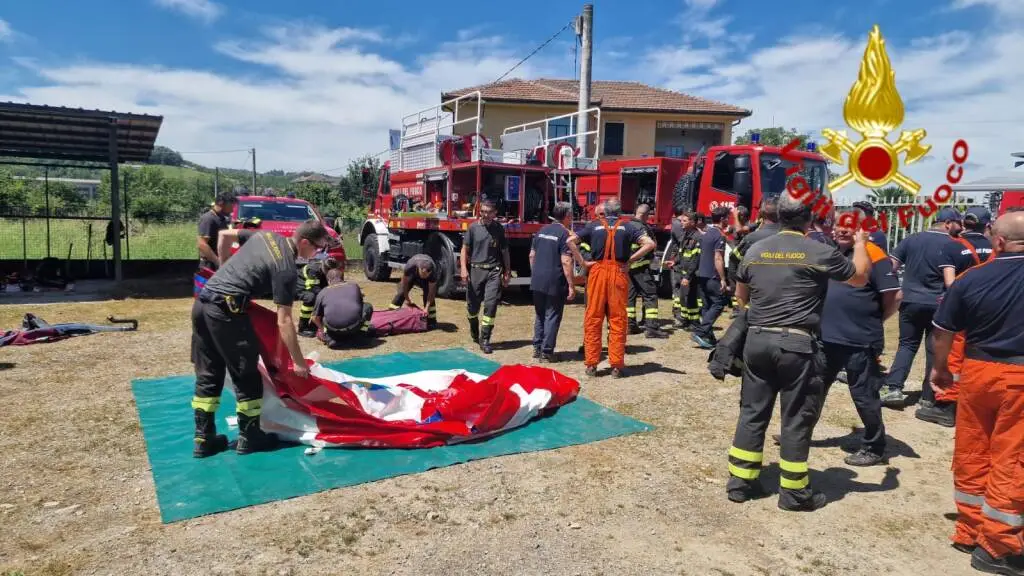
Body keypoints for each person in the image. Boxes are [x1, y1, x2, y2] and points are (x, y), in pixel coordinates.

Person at [726, 191, 870, 511]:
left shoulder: (755, 249)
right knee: (796, 418)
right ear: (809, 220)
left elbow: (741, 297)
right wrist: (860, 244)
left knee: (752, 412)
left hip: (758, 340)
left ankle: (740, 483)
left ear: (778, 216)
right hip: (797, 344)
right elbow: (859, 277)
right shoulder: (818, 250)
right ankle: (792, 493)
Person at [930, 211, 1024, 576]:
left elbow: (943, 329)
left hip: (977, 373)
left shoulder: (971, 279)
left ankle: (969, 529)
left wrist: (940, 371)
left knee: (973, 448)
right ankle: (997, 546)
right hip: (1018, 377)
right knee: (1011, 458)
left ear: (997, 241)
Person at [191, 219, 329, 458]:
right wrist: (297, 362)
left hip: (203, 302)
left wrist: (224, 269)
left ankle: (204, 439)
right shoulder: (286, 268)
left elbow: (224, 235)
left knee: (209, 372)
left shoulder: (266, 236)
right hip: (226, 313)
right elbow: (284, 320)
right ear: (304, 242)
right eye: (318, 248)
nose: (317, 254)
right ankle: (250, 435)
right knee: (246, 375)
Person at [817, 207, 901, 467]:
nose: (842, 229)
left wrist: (874, 321)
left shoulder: (875, 255)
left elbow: (894, 296)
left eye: (849, 226)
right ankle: (799, 432)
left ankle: (874, 446)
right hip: (826, 337)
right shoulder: (833, 253)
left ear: (862, 230)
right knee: (813, 388)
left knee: (864, 396)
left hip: (860, 340)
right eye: (839, 224)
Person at [881, 207, 966, 409]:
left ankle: (893, 388)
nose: (960, 228)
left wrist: (897, 289)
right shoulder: (954, 245)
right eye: (957, 223)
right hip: (938, 304)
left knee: (907, 345)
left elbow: (890, 267)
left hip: (910, 300)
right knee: (933, 350)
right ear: (947, 224)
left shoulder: (912, 239)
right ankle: (928, 396)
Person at [917, 206, 995, 427]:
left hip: (962, 309)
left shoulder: (952, 247)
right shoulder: (996, 247)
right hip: (989, 311)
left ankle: (946, 406)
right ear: (987, 225)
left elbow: (951, 283)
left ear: (963, 223)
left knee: (955, 357)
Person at [576, 199, 656, 378]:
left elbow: (570, 240)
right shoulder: (628, 227)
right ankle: (616, 366)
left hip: (597, 271)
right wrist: (630, 261)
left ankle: (591, 365)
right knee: (618, 319)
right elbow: (650, 244)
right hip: (618, 272)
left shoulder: (593, 225)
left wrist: (582, 262)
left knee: (593, 318)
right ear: (620, 212)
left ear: (604, 211)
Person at [529, 202, 585, 362]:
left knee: (540, 315)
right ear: (567, 216)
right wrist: (571, 285)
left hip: (538, 279)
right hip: (554, 280)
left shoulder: (541, 231)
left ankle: (537, 347)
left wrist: (537, 273)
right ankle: (547, 352)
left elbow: (532, 255)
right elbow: (566, 261)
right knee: (552, 315)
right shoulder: (565, 235)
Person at [460, 199, 510, 354]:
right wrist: (463, 268)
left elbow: (504, 251)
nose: (485, 214)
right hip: (476, 271)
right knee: (472, 307)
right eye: (483, 211)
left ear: (495, 213)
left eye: (489, 212)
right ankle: (474, 329)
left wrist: (507, 271)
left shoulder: (499, 229)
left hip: (494, 272)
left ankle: (485, 339)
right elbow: (464, 249)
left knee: (491, 304)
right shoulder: (473, 228)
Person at [691, 207, 732, 350]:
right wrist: (723, 279)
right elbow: (718, 258)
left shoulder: (706, 234)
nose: (729, 220)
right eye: (728, 217)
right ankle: (701, 332)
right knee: (719, 303)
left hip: (702, 274)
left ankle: (708, 336)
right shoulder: (719, 236)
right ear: (722, 219)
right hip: (712, 275)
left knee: (707, 305)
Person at [626, 204, 668, 339]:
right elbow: (650, 246)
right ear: (646, 215)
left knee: (629, 297)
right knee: (650, 296)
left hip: (628, 269)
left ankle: (630, 325)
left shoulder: (626, 225)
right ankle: (651, 328)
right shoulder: (643, 228)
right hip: (641, 268)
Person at [312, 263, 374, 347]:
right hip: (354, 327)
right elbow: (360, 306)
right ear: (342, 278)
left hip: (333, 330)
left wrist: (324, 331)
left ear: (329, 281)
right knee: (368, 306)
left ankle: (330, 338)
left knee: (323, 314)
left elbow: (314, 318)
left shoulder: (323, 292)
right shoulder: (354, 286)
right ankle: (361, 335)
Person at [665, 208, 701, 330]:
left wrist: (687, 277)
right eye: (681, 221)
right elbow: (682, 254)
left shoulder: (697, 237)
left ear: (692, 222)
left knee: (691, 299)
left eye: (685, 221)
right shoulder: (686, 235)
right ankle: (686, 321)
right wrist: (674, 261)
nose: (681, 223)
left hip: (692, 274)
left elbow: (695, 260)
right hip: (683, 271)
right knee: (683, 298)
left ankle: (694, 323)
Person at [390, 254, 438, 328]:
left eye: (426, 275)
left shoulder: (434, 272)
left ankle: (431, 321)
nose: (423, 277)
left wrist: (426, 308)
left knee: (428, 295)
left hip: (428, 281)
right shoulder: (410, 266)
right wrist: (407, 299)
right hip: (412, 275)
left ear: (430, 272)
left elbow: (431, 293)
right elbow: (404, 285)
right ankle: (390, 316)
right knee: (401, 293)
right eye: (422, 274)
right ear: (419, 268)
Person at [196, 193, 237, 271]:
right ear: (221, 203)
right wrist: (218, 262)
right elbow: (202, 244)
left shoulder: (221, 218)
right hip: (210, 266)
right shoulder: (208, 219)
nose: (232, 210)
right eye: (231, 206)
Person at [296, 255, 331, 337]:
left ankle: (314, 324)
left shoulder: (324, 268)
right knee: (311, 298)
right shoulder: (313, 269)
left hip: (310, 284)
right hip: (299, 283)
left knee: (323, 296)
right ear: (324, 268)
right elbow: (314, 288)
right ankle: (302, 327)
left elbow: (325, 286)